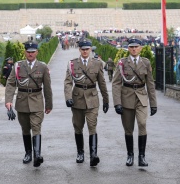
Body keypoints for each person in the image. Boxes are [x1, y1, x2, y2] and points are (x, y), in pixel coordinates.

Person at [5, 41, 53, 167]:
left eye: (33, 51)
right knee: (25, 129)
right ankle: (28, 153)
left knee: (36, 126)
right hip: (22, 102)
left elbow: (47, 87)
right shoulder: (18, 66)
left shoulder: (42, 67)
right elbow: (10, 84)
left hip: (37, 101)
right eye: (28, 51)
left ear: (37, 52)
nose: (30, 54)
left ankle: (37, 155)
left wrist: (49, 104)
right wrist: (8, 101)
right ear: (25, 52)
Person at [112, 38, 157, 167]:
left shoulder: (146, 63)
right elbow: (116, 83)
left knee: (142, 123)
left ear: (140, 48)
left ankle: (141, 157)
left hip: (141, 97)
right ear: (128, 49)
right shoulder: (122, 63)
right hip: (126, 97)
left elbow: (150, 84)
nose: (134, 49)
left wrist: (153, 104)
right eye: (131, 47)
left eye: (136, 46)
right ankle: (130, 155)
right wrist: (117, 103)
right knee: (128, 128)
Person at [64, 39, 109, 167]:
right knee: (78, 127)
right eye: (82, 49)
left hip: (92, 98)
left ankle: (93, 155)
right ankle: (80, 153)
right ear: (79, 50)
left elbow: (102, 83)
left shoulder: (97, 63)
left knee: (92, 126)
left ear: (90, 50)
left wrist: (106, 100)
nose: (85, 51)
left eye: (87, 49)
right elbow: (68, 82)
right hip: (77, 99)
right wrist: (68, 97)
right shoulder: (72, 64)